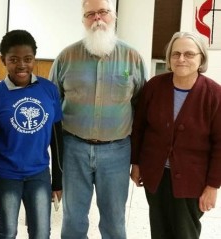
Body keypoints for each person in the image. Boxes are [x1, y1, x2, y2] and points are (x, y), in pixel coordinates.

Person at [49, 0, 147, 238]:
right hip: (74, 150)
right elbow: (51, 105)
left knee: (114, 219)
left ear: (114, 17)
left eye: (103, 12)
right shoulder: (66, 57)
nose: (97, 19)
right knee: (73, 219)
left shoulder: (132, 58)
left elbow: (142, 109)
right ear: (83, 20)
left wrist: (138, 160)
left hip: (117, 151)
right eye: (90, 14)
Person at [130, 31, 221, 239]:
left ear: (201, 58)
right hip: (156, 176)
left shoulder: (215, 95)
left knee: (184, 233)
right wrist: (136, 163)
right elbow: (140, 127)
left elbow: (219, 145)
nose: (181, 59)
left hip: (192, 181)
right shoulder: (154, 86)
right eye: (176, 54)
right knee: (159, 232)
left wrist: (213, 186)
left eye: (189, 54)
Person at [0, 29, 63, 239]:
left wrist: (58, 180)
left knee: (41, 232)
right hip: (5, 175)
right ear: (4, 61)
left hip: (39, 174)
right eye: (14, 59)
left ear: (34, 58)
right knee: (7, 231)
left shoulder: (49, 90)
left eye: (28, 59)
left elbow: (57, 137)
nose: (22, 65)